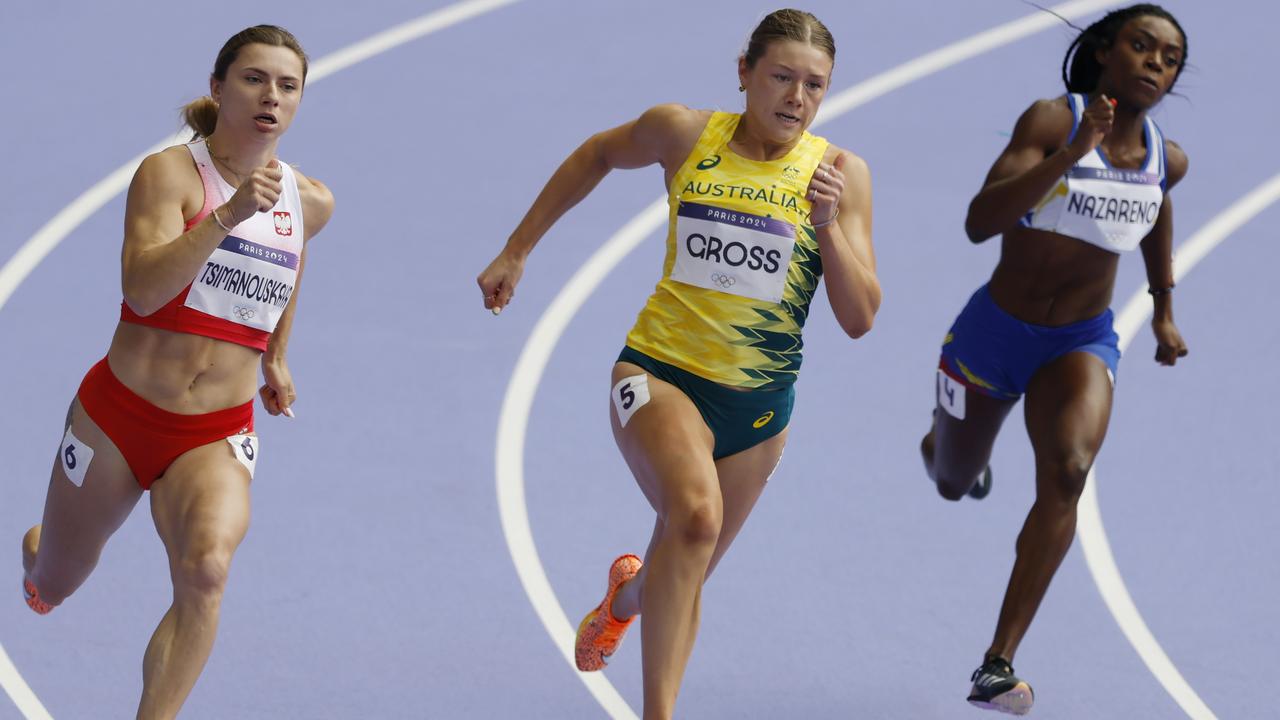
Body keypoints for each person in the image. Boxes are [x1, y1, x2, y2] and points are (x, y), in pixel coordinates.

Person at [478, 9, 879, 718]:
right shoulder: (686, 133)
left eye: (814, 85)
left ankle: (623, 599)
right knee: (694, 521)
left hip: (757, 411)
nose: (796, 98)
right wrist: (518, 249)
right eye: (781, 77)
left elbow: (859, 318)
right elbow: (599, 153)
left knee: (679, 576)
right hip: (658, 373)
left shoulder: (839, 175)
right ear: (744, 73)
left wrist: (827, 229)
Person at [19, 25, 334, 719]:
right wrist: (224, 216)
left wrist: (277, 355)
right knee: (55, 582)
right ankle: (41, 557)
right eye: (254, 79)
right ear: (219, 89)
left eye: (288, 86)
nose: (271, 97)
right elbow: (143, 290)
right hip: (120, 416)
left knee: (208, 569)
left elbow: (290, 259)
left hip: (216, 432)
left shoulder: (309, 201)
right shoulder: (169, 175)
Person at [919, 5, 1189, 714]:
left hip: (1078, 342)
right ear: (1104, 51)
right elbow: (980, 223)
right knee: (951, 480)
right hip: (991, 337)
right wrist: (1074, 154)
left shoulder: (1170, 157)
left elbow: (1156, 208)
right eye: (1141, 45)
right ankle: (943, 446)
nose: (1155, 63)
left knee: (1068, 471)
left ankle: (997, 663)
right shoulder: (1049, 121)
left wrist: (1162, 306)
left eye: (1170, 58)